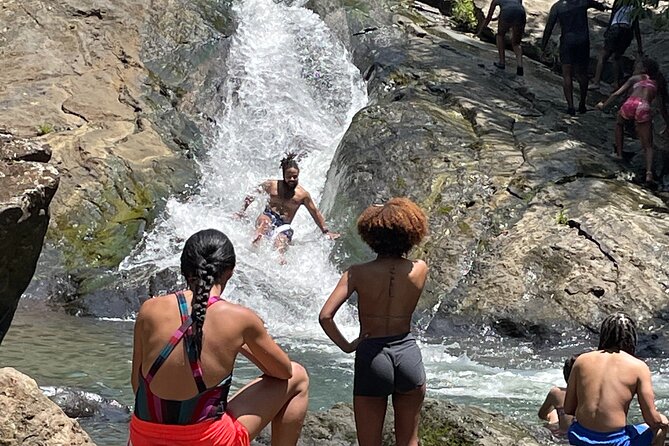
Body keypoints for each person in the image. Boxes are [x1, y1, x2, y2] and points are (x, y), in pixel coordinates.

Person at [128, 229, 309, 446]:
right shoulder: (239, 318)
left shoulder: (149, 309)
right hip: (206, 441)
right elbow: (283, 372)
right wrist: (240, 341)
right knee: (298, 376)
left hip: (144, 438)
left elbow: (136, 384)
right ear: (230, 272)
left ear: (185, 269)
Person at [319, 198, 429, 446]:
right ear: (412, 231)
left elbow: (325, 316)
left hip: (373, 354)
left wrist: (347, 346)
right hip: (408, 353)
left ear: (370, 234)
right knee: (409, 441)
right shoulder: (421, 268)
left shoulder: (357, 272)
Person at [564, 313, 668, 446]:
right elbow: (652, 419)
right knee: (661, 424)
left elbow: (568, 408)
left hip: (578, 436)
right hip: (614, 442)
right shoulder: (639, 367)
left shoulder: (581, 360)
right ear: (632, 338)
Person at [237, 153, 339, 253]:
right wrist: (241, 212)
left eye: (295, 177)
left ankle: (280, 260)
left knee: (280, 243)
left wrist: (326, 232)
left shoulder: (302, 195)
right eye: (289, 176)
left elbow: (315, 213)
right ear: (283, 175)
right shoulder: (271, 185)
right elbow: (252, 194)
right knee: (264, 222)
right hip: (268, 215)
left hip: (284, 225)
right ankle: (252, 246)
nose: (292, 179)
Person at [596, 56, 669, 184]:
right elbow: (661, 106)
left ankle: (619, 153)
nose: (635, 67)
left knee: (619, 123)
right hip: (643, 106)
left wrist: (604, 105)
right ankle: (649, 174)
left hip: (630, 104)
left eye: (638, 66)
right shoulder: (656, 84)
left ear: (643, 69)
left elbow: (617, 94)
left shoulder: (634, 79)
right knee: (648, 145)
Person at [541, 0, 608, 115]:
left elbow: (549, 27)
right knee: (582, 74)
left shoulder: (557, 7)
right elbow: (599, 6)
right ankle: (582, 104)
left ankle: (570, 107)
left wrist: (543, 46)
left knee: (567, 74)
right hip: (583, 41)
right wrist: (602, 6)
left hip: (567, 41)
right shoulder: (582, 2)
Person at [590, 0, 643, 91]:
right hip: (627, 32)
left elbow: (613, 16)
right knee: (616, 57)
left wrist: (608, 31)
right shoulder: (636, 4)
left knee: (603, 56)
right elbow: (636, 25)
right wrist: (639, 46)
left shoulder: (619, 1)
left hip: (616, 28)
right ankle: (615, 83)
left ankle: (596, 82)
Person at [476, 0, 527, 76]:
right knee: (516, 43)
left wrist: (480, 31)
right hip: (521, 12)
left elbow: (489, 17)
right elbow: (516, 6)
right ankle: (520, 66)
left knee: (500, 35)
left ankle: (502, 62)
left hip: (507, 12)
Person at [538, 355, 578, 436]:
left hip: (563, 438)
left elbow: (542, 415)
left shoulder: (556, 393)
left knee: (552, 416)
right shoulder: (595, 395)